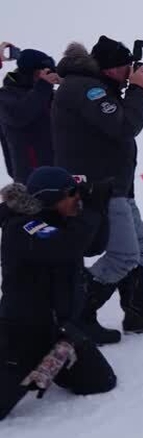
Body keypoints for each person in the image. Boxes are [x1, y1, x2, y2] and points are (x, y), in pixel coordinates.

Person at [52, 36, 143, 345]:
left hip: (115, 184)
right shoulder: (87, 89)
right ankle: (78, 316)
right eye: (127, 68)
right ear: (110, 69)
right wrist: (138, 90)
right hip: (99, 186)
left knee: (140, 244)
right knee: (124, 255)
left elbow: (125, 125)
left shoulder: (93, 88)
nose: (130, 73)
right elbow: (124, 128)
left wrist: (142, 95)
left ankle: (138, 312)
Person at [0, 166, 116, 421]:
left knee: (99, 381)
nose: (77, 196)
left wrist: (100, 207)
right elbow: (67, 246)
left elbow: (94, 245)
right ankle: (24, 368)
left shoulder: (62, 221)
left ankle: (45, 368)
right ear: (50, 198)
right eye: (70, 193)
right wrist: (93, 211)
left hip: (59, 333)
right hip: (22, 335)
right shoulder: (22, 228)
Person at [0, 48, 59, 183]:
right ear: (27, 72)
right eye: (41, 72)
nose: (45, 76)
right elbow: (18, 116)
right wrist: (43, 86)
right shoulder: (6, 95)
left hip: (59, 173)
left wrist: (69, 84)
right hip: (29, 177)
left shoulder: (48, 94)